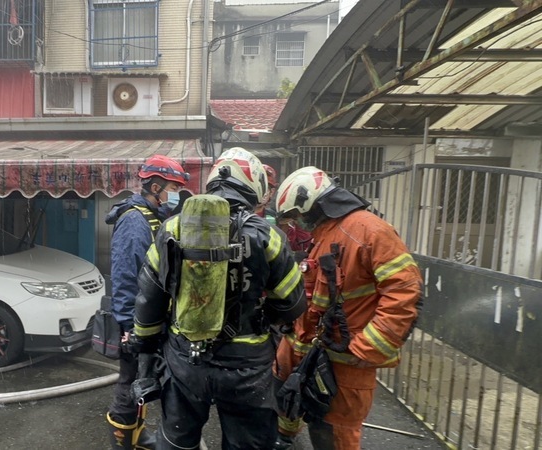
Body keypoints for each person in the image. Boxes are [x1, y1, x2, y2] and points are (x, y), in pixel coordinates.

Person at [132, 147, 306, 450]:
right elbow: (292, 304)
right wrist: (262, 315)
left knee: (176, 441)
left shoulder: (170, 229)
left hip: (185, 359)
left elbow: (149, 301)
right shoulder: (269, 235)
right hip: (247, 367)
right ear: (253, 187)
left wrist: (146, 350)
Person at [272, 166, 423, 450]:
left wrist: (369, 347)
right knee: (291, 404)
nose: (297, 224)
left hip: (344, 361)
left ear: (312, 205)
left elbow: (405, 291)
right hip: (308, 351)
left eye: (297, 216)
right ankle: (284, 438)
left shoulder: (368, 230)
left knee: (335, 434)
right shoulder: (327, 234)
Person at [104, 154, 190, 450]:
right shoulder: (134, 221)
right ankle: (122, 441)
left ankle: (138, 435)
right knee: (130, 381)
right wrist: (129, 325)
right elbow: (126, 274)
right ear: (155, 186)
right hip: (137, 320)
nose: (176, 194)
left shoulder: (155, 217)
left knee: (148, 377)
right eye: (173, 187)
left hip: (152, 316)